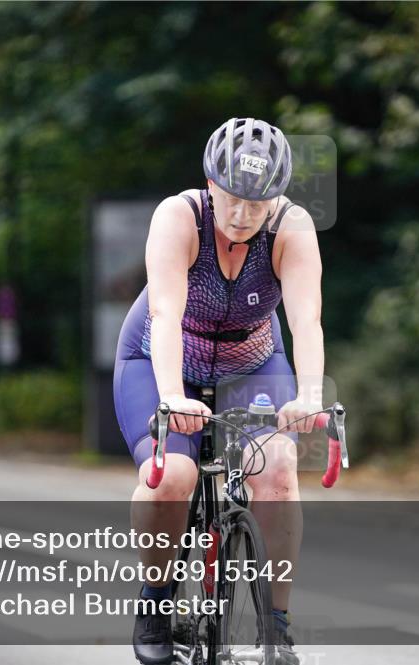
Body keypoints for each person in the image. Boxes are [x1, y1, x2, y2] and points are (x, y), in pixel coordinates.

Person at [113, 117, 324, 664]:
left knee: (278, 472)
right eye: (232, 198)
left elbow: (306, 322)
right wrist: (171, 395)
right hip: (161, 359)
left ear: (276, 199)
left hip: (251, 363)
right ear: (210, 184)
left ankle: (277, 627)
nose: (242, 215)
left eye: (257, 204)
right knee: (172, 478)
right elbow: (165, 313)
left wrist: (309, 396)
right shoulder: (178, 217)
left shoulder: (292, 229)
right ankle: (156, 603)